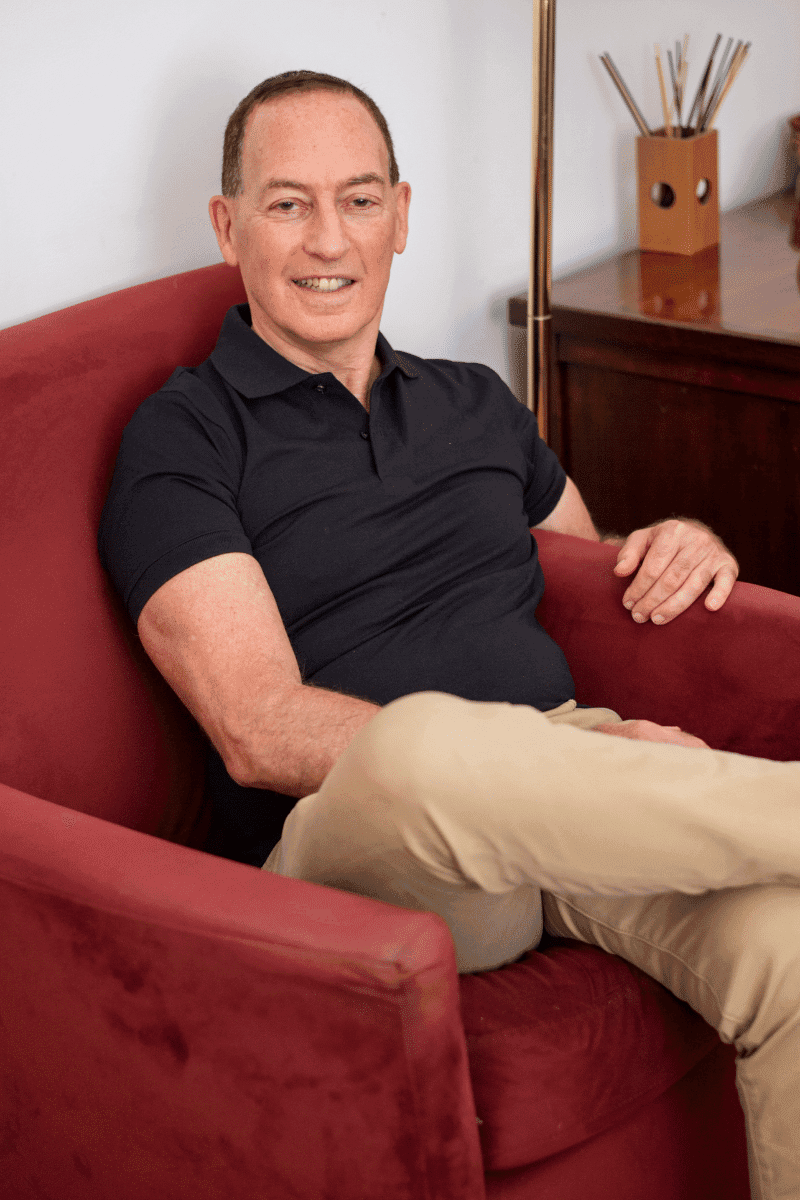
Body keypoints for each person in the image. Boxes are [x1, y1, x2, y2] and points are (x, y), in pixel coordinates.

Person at [99, 71, 798, 1198]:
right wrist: (565, 759)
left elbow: (592, 561)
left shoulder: (479, 401)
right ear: (228, 227)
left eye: (359, 199)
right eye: (286, 204)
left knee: (792, 954)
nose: (329, 238)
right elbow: (258, 729)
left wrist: (681, 536)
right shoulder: (182, 438)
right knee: (427, 744)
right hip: (370, 839)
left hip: (567, 790)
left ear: (403, 214)